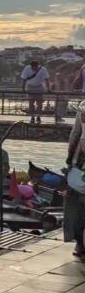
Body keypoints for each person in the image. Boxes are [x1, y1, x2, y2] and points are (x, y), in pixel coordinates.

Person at [64, 103, 84, 258]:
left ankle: (79, 243)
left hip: (80, 164)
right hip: (80, 163)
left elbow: (75, 135)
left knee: (75, 208)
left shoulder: (83, 109)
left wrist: (70, 159)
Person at [20, 60, 50, 124]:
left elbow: (46, 79)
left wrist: (48, 89)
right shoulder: (27, 68)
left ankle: (38, 116)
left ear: (37, 66)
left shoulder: (43, 69)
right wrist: (22, 88)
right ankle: (32, 116)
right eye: (32, 68)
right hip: (30, 86)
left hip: (39, 86)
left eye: (35, 68)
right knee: (31, 103)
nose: (34, 69)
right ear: (31, 66)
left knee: (40, 103)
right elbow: (24, 79)